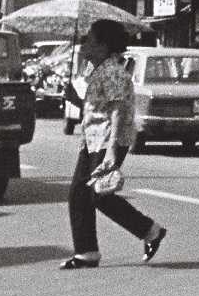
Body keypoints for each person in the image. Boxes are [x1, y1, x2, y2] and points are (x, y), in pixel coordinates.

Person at [62, 18, 167, 269]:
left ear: (103, 45)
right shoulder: (98, 70)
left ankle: (150, 231)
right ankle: (86, 253)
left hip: (109, 140)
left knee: (99, 195)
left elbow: (119, 110)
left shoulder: (112, 71)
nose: (85, 44)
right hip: (92, 139)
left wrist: (111, 151)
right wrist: (74, 99)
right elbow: (97, 108)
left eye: (90, 39)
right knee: (79, 194)